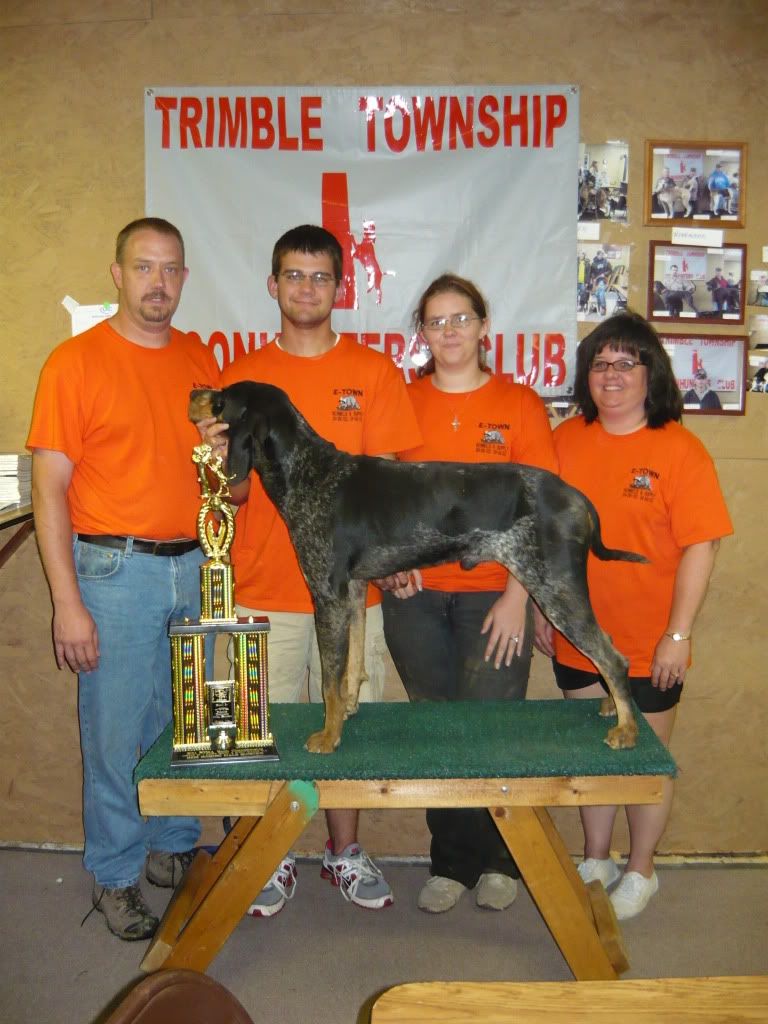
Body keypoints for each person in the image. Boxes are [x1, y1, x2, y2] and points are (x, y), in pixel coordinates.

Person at [202, 225, 421, 917]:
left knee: (345, 727)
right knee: (259, 733)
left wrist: (399, 560)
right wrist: (218, 456)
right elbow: (235, 492)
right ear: (273, 285)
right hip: (263, 586)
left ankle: (344, 852)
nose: (306, 288)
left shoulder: (374, 373)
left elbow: (393, 484)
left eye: (320, 276)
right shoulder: (242, 380)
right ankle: (268, 858)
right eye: (294, 275)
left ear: (339, 287)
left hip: (352, 594)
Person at [27, 218, 221, 940]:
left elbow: (217, 473)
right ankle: (114, 874)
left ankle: (172, 848)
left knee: (183, 724)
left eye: (170, 269)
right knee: (113, 736)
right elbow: (49, 489)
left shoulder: (199, 358)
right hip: (114, 572)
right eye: (143, 267)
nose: (157, 284)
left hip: (194, 565)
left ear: (184, 278)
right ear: (117, 274)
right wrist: (67, 604)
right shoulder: (73, 363)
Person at [535, 312, 732, 921]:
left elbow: (702, 545)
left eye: (627, 363)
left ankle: (642, 869)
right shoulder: (565, 440)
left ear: (652, 374)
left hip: (651, 642)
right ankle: (596, 858)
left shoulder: (680, 449)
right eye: (600, 363)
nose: (612, 375)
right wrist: (544, 607)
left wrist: (679, 635)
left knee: (646, 758)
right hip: (580, 635)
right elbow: (543, 533)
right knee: (593, 754)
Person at [379, 274, 558, 914]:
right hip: (417, 599)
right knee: (438, 730)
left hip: (494, 596)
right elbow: (382, 499)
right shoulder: (401, 401)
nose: (449, 331)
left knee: (491, 728)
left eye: (461, 318)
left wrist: (518, 597)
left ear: (484, 326)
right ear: (422, 333)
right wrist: (391, 563)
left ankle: (502, 860)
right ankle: (451, 863)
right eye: (436, 321)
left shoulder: (519, 404)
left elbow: (537, 508)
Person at [588, 250, 612, 316]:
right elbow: (592, 272)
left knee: (601, 292)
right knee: (597, 294)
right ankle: (599, 307)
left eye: (602, 254)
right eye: (600, 254)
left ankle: (603, 308)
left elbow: (610, 270)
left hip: (603, 280)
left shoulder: (606, 262)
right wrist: (593, 278)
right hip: (596, 281)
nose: (601, 256)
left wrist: (605, 274)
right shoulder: (593, 263)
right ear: (597, 255)